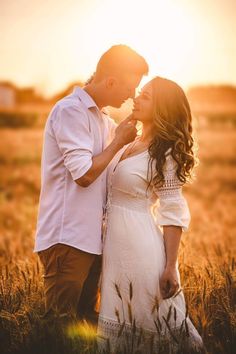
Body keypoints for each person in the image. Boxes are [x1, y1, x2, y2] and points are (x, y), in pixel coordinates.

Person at [34, 45, 148, 323]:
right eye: (130, 88)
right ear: (110, 81)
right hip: (67, 241)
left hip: (92, 243)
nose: (131, 96)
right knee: (59, 328)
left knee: (85, 325)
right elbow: (84, 174)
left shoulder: (104, 120)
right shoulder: (69, 112)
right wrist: (119, 141)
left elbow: (108, 172)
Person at [97, 77, 204, 352]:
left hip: (140, 249)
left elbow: (172, 211)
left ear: (162, 107)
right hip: (114, 248)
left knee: (148, 324)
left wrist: (170, 266)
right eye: (139, 93)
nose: (136, 99)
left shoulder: (165, 154)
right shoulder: (126, 141)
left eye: (145, 96)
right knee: (119, 325)